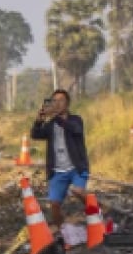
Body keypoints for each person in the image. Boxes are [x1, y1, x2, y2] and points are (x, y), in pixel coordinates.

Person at [30, 89, 89, 224]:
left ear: (67, 104)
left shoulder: (76, 120)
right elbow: (35, 134)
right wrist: (39, 120)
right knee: (54, 205)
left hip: (76, 168)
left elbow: (75, 130)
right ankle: (62, 231)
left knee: (78, 191)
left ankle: (98, 210)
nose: (57, 103)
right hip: (58, 171)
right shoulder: (51, 125)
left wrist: (56, 116)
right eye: (54, 101)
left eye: (61, 100)